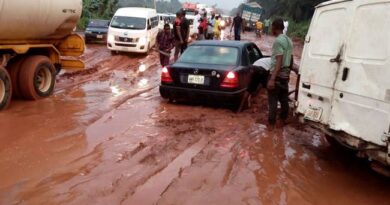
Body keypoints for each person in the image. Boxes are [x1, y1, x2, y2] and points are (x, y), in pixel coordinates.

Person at [267, 18, 293, 127]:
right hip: (285, 75)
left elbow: (279, 60)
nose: (271, 29)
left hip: (277, 75)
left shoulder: (278, 41)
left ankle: (271, 125)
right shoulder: (289, 40)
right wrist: (288, 73)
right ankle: (283, 120)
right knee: (283, 99)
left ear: (275, 27)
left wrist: (272, 79)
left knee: (272, 101)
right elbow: (291, 59)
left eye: (272, 27)